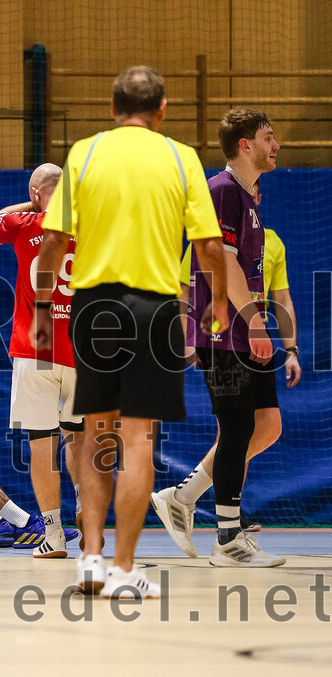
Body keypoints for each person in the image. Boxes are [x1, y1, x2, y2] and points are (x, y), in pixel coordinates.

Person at [32, 66, 229, 598]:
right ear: (162, 109)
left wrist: (42, 311)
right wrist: (214, 309)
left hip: (94, 308)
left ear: (112, 107)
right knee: (137, 439)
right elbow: (210, 247)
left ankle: (90, 561)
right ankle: (123, 569)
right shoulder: (179, 157)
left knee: (96, 434)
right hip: (155, 307)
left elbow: (51, 243)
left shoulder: (86, 153)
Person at [152, 109, 286, 567]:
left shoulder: (248, 196)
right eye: (269, 137)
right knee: (237, 428)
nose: (277, 145)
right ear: (245, 144)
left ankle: (182, 496)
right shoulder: (223, 191)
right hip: (225, 333)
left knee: (266, 425)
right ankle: (227, 539)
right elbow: (220, 264)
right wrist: (253, 318)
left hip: (244, 330)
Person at [0, 163, 84, 559]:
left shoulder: (25, 225)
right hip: (82, 354)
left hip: (35, 354)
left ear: (36, 192)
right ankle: (85, 505)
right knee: (78, 439)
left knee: (42, 445)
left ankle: (54, 535)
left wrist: (33, 200)